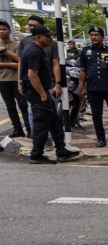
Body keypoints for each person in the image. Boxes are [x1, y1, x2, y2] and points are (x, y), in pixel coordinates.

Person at [20, 25, 79, 164]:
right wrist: (42, 94)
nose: (50, 39)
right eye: (47, 37)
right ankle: (36, 154)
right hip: (38, 94)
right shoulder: (34, 51)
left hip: (41, 92)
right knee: (41, 123)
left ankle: (61, 151)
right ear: (38, 37)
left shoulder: (36, 50)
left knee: (55, 122)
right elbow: (32, 75)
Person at [79, 26, 108, 149]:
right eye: (92, 35)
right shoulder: (85, 51)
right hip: (93, 88)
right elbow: (82, 70)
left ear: (102, 37)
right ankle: (101, 139)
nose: (93, 37)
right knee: (96, 115)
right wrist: (81, 87)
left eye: (96, 35)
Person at [0, 19, 27, 138]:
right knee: (10, 106)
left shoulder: (16, 45)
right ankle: (17, 129)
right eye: (0, 30)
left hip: (17, 80)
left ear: (9, 31)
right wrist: (10, 64)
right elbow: (15, 64)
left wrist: (5, 51)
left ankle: (29, 128)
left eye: (4, 29)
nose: (2, 32)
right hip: (2, 80)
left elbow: (20, 62)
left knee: (23, 105)